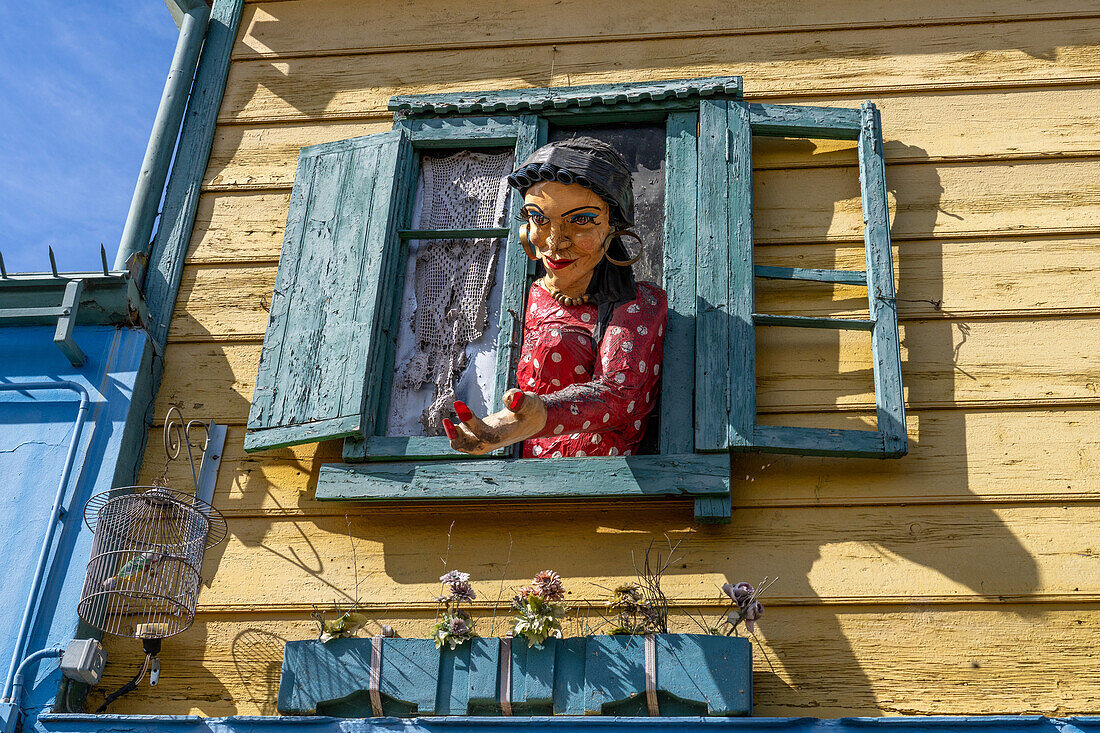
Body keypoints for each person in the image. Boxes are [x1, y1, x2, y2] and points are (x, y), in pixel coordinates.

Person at [442, 137, 667, 458]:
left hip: (605, 490)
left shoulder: (639, 302)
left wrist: (540, 414)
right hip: (522, 488)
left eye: (581, 221)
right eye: (539, 218)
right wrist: (500, 429)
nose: (555, 241)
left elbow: (621, 395)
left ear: (613, 227)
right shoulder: (524, 296)